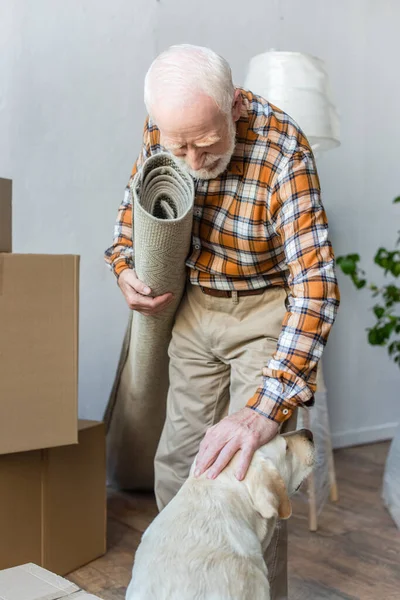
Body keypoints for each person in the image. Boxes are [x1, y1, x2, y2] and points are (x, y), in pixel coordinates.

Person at [105, 44, 340, 599]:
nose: (189, 160)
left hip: (264, 308)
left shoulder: (284, 150)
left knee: (252, 477)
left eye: (204, 143)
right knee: (178, 464)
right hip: (196, 306)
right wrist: (123, 266)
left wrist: (266, 408)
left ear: (234, 105)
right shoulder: (166, 129)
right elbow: (131, 215)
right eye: (176, 145)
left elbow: (315, 287)